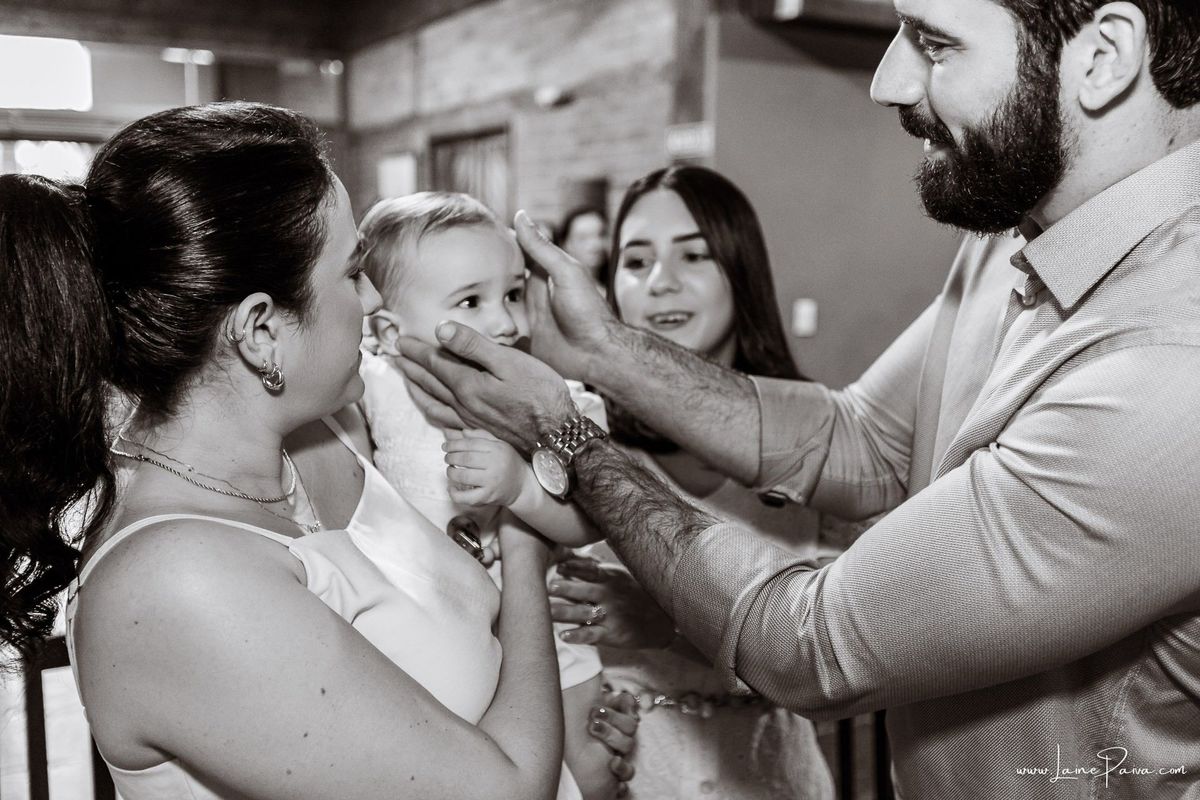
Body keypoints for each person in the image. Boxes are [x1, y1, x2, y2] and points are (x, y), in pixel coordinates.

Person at [396, 1, 1200, 797]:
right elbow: (857, 440)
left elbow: (810, 640)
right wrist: (605, 348)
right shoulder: (1015, 239)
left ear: (1105, 55)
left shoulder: (1171, 366)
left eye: (934, 40)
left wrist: (565, 434)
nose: (888, 79)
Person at [0, 100, 617, 800]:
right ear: (260, 331)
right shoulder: (177, 579)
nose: (376, 296)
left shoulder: (323, 433)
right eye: (353, 272)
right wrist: (525, 548)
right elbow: (504, 790)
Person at [546, 166, 836, 799]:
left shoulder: (818, 441)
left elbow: (855, 657)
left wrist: (669, 619)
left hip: (774, 779)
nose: (661, 283)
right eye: (637, 260)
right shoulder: (581, 436)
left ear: (742, 270)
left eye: (694, 255)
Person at [354, 191, 621, 799]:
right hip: (428, 632)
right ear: (391, 330)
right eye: (471, 301)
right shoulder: (374, 388)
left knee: (589, 769)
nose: (506, 323)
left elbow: (595, 519)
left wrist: (524, 489)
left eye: (514, 293)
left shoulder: (558, 401)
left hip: (546, 628)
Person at [556, 207, 609, 290]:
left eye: (601, 234)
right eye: (583, 238)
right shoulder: (561, 287)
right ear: (566, 244)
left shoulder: (614, 282)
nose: (595, 244)